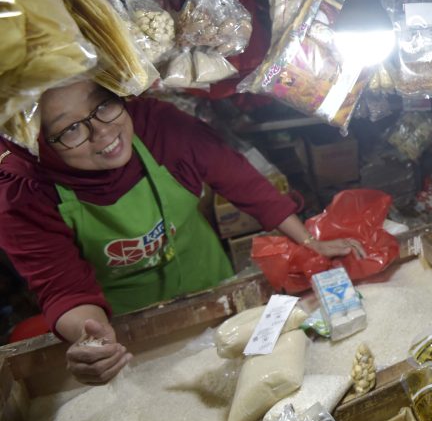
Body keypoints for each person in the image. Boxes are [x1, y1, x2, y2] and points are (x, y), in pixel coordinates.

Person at [0, 80, 366, 385]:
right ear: (36, 139)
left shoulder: (158, 126)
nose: (103, 132)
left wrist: (308, 240)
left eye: (103, 105)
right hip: (132, 328)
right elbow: (63, 288)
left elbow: (240, 179)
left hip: (210, 283)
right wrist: (91, 338)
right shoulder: (24, 189)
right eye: (71, 129)